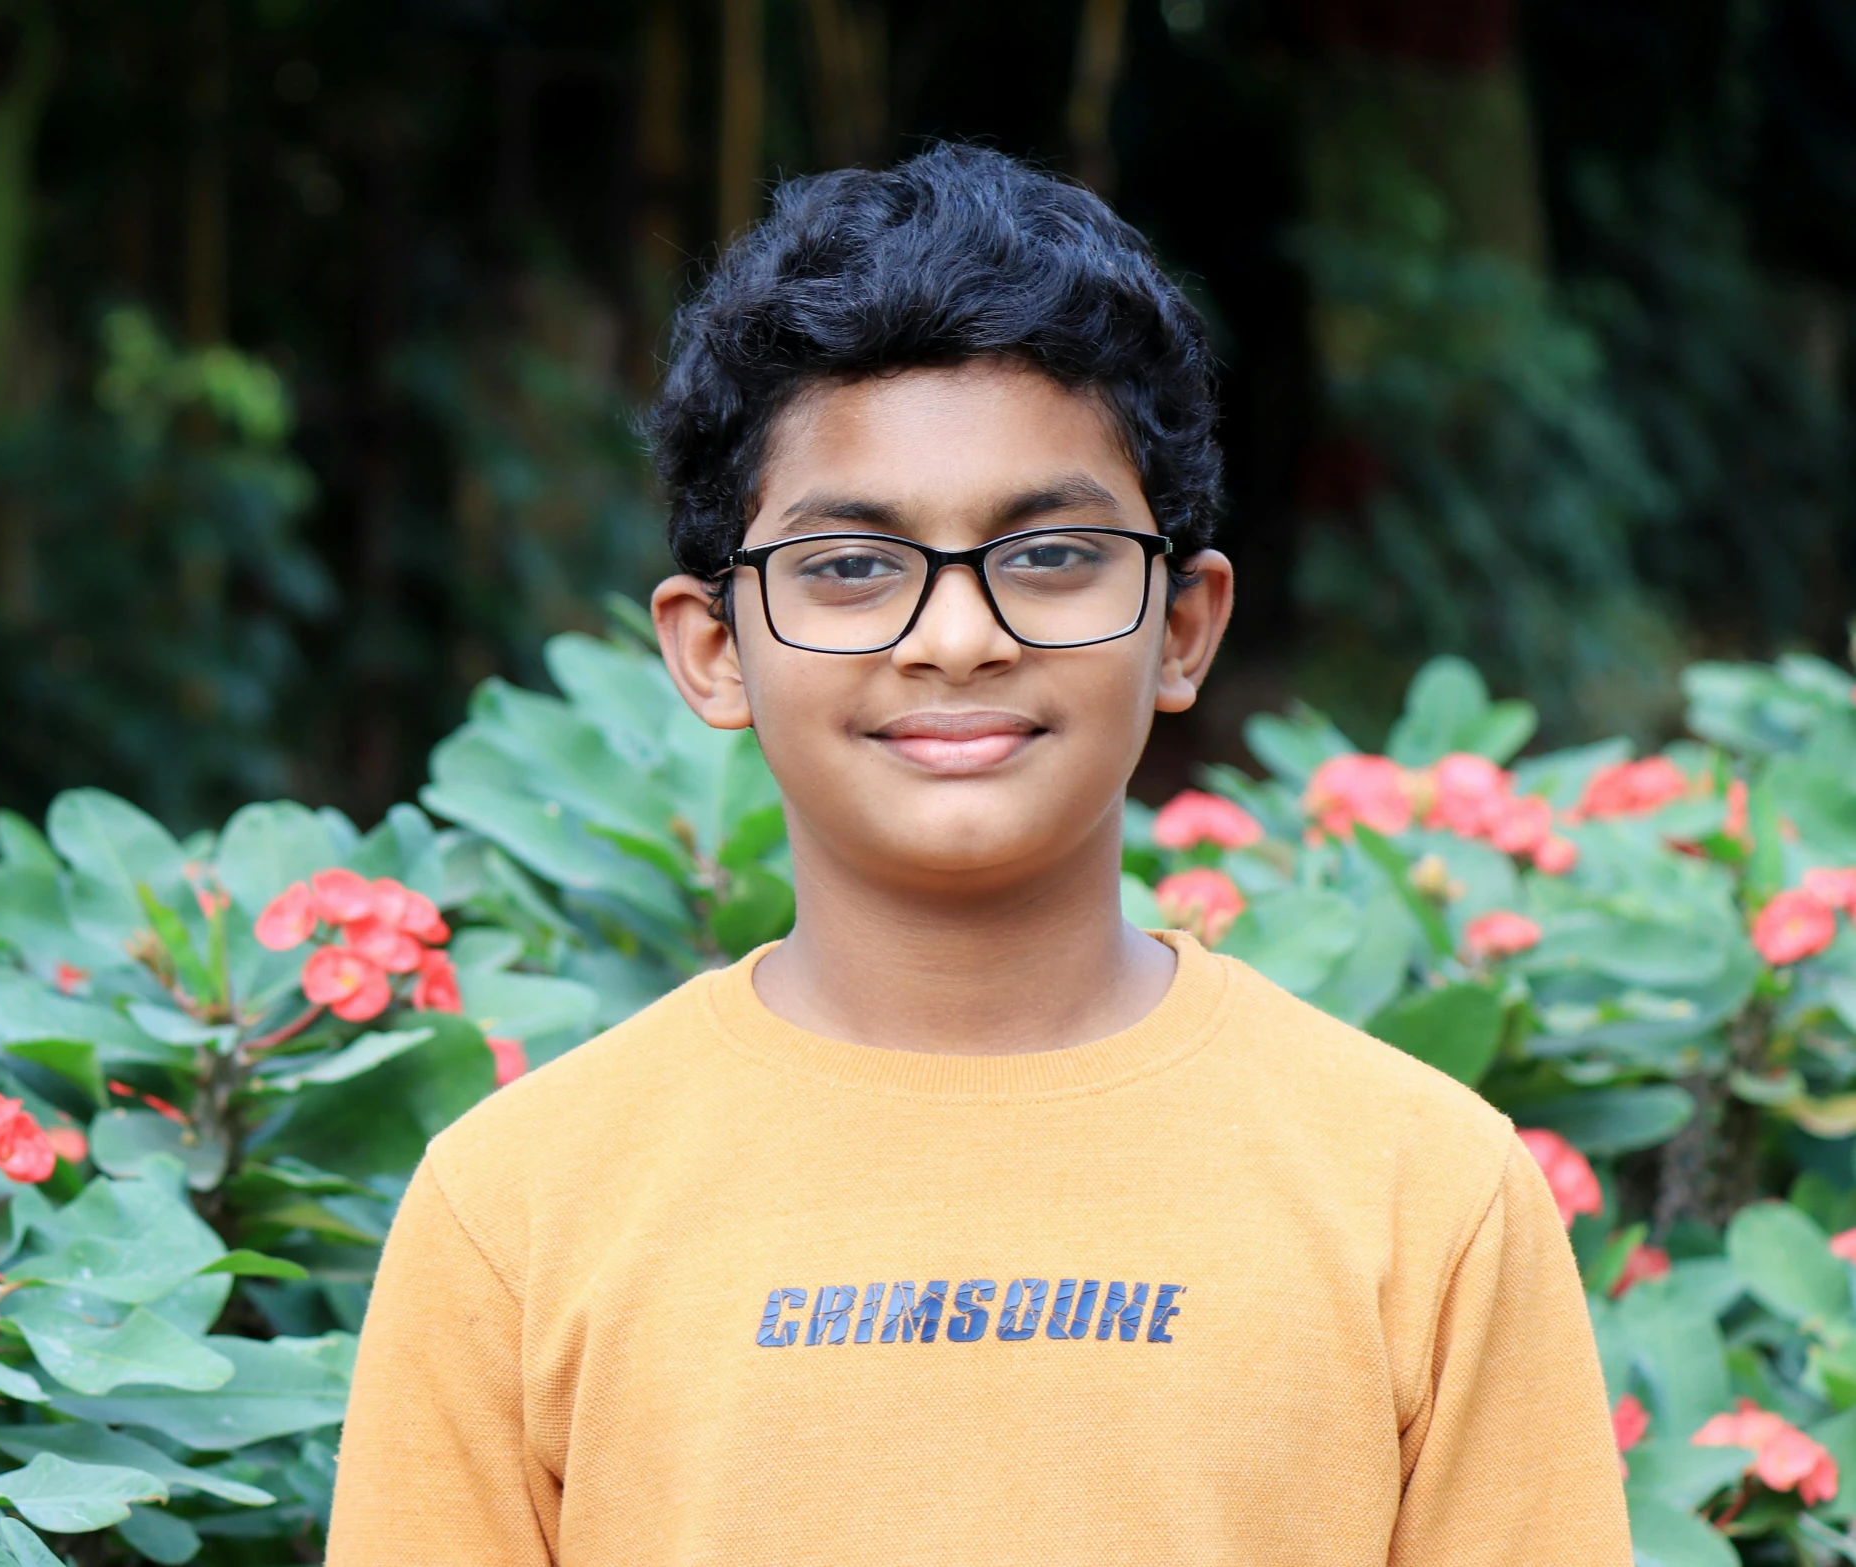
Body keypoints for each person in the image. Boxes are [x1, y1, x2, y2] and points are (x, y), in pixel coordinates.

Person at [326, 144, 1630, 1565]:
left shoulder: (1425, 1193)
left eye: (1052, 554)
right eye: (847, 567)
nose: (956, 637)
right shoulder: (515, 1208)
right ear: (712, 649)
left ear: (1181, 625)